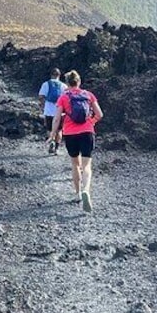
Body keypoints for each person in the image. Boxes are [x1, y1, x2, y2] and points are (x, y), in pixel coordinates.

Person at [49, 70, 103, 212]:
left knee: (75, 164)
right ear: (79, 81)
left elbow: (56, 118)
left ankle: (78, 194)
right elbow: (100, 114)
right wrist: (91, 122)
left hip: (70, 133)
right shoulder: (88, 95)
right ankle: (86, 190)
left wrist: (53, 134)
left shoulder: (63, 97)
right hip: (87, 132)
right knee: (86, 166)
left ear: (67, 83)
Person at [38, 68, 67, 155]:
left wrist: (43, 106)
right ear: (59, 75)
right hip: (60, 111)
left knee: (49, 129)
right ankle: (56, 149)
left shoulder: (46, 84)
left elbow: (40, 97)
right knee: (59, 130)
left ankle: (51, 142)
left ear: (51, 75)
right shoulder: (63, 86)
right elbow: (66, 99)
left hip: (48, 110)